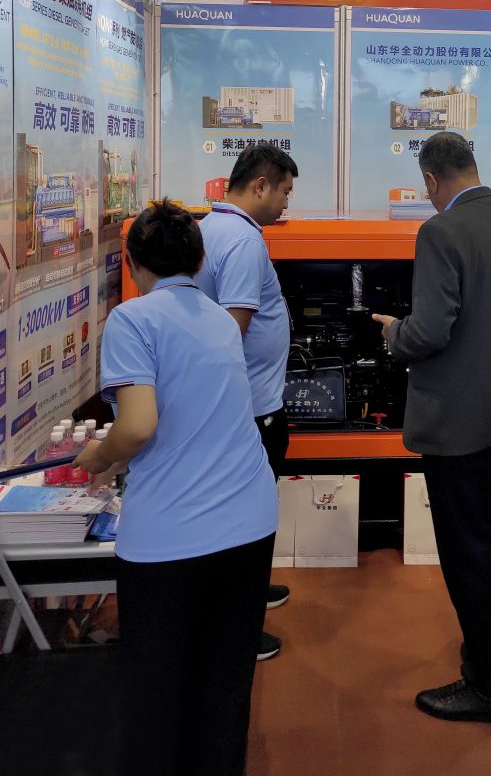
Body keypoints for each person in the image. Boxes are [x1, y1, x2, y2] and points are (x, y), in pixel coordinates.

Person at [74, 201, 275, 776]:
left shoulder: (132, 320)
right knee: (225, 683)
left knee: (158, 690)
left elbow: (138, 425)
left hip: (169, 537)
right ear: (201, 260)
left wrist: (97, 458)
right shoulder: (220, 318)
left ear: (133, 262)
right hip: (249, 520)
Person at [373, 131, 491, 724]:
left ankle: (487, 686)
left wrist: (393, 334)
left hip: (457, 424)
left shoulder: (441, 231)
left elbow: (430, 330)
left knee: (470, 555)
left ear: (432, 180)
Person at [195, 142, 298, 661]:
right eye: (284, 192)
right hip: (251, 409)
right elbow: (230, 331)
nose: (286, 203)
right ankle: (239, 629)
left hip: (243, 403)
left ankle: (247, 594)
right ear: (260, 185)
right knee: (247, 519)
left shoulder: (211, 227)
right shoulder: (243, 240)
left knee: (241, 515)